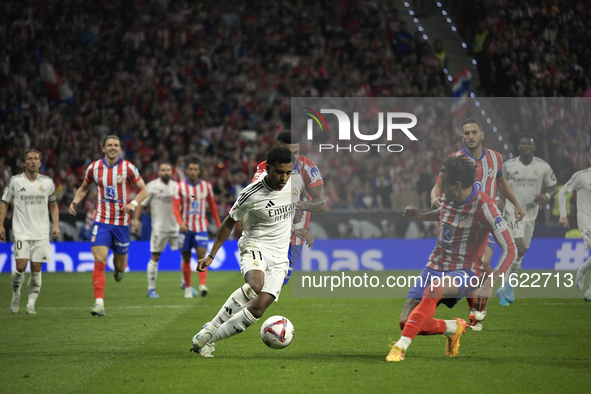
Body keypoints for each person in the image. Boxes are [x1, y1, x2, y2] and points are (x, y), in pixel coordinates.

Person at [387, 155, 516, 362]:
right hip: (434, 265)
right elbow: (444, 212)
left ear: (457, 185)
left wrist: (489, 283)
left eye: (444, 185)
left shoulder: (485, 206)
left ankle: (400, 347)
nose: (440, 190)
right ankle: (453, 327)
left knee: (434, 290)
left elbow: (510, 248)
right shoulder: (449, 196)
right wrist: (421, 217)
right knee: (406, 321)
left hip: (465, 271)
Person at [190, 147, 312, 358]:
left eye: (287, 172)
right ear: (268, 169)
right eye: (278, 172)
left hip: (280, 255)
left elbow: (295, 211)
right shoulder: (251, 194)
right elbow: (229, 222)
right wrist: (211, 255)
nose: (283, 177)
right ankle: (212, 326)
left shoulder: (296, 183)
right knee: (255, 285)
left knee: (258, 309)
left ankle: (208, 340)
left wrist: (298, 228)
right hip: (255, 245)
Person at [430, 118, 524, 330]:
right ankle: (476, 308)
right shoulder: (454, 160)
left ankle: (477, 307)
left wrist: (516, 204)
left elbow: (500, 183)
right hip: (462, 224)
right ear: (462, 137)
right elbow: (437, 186)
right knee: (475, 267)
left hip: (486, 221)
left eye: (474, 132)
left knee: (481, 261)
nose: (470, 136)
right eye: (466, 133)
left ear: (482, 135)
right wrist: (434, 196)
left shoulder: (495, 158)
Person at [69, 135, 148, 317]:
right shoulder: (94, 168)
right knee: (100, 260)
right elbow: (84, 188)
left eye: (116, 145)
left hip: (121, 224)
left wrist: (133, 204)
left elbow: (144, 190)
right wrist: (75, 201)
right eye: (109, 145)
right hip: (102, 221)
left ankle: (119, 270)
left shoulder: (128, 168)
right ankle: (99, 303)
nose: (113, 148)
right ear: (103, 148)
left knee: (119, 267)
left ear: (120, 149)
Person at [253, 131, 326, 284]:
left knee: (276, 284)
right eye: (288, 153)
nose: (293, 157)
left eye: (296, 153)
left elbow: (321, 204)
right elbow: (254, 197)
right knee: (260, 282)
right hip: (271, 234)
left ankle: (247, 307)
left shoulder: (307, 167)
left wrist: (299, 205)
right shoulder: (264, 168)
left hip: (295, 238)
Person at [497, 133, 557, 305]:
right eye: (523, 144)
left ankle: (505, 288)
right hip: (512, 211)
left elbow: (553, 186)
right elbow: (499, 182)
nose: (525, 146)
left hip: (531, 214)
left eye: (529, 144)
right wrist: (498, 199)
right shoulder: (509, 166)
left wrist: (546, 196)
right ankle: (507, 285)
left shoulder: (543, 166)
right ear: (518, 147)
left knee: (520, 254)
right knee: (520, 248)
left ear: (534, 147)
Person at [0, 149, 60, 314]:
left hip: (41, 232)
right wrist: (1, 225)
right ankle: (16, 294)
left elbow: (53, 205)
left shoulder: (47, 183)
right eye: (29, 159)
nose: (33, 161)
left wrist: (55, 225)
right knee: (21, 266)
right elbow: (4, 202)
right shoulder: (15, 181)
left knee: (36, 268)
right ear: (23, 162)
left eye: (36, 159)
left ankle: (31, 304)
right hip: (21, 231)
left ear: (40, 163)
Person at [172, 157, 221, 298]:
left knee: (201, 255)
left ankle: (202, 285)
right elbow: (175, 207)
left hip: (201, 227)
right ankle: (187, 287)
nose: (193, 172)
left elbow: (212, 206)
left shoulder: (206, 187)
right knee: (186, 258)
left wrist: (219, 224)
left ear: (199, 171)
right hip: (186, 228)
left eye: (195, 169)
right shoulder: (180, 187)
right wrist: (180, 223)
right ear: (186, 171)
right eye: (190, 169)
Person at [133, 162, 179, 298]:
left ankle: (186, 285)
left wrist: (195, 197)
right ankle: (151, 288)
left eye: (168, 170)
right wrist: (136, 219)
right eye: (163, 170)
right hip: (159, 229)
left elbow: (189, 197)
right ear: (159, 172)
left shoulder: (177, 187)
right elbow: (141, 203)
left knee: (186, 255)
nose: (166, 172)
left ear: (171, 172)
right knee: (155, 256)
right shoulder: (152, 187)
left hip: (176, 228)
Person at [559, 156, 591, 301]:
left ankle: (589, 291)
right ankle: (582, 271)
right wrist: (563, 215)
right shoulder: (581, 176)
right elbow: (563, 192)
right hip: (586, 221)